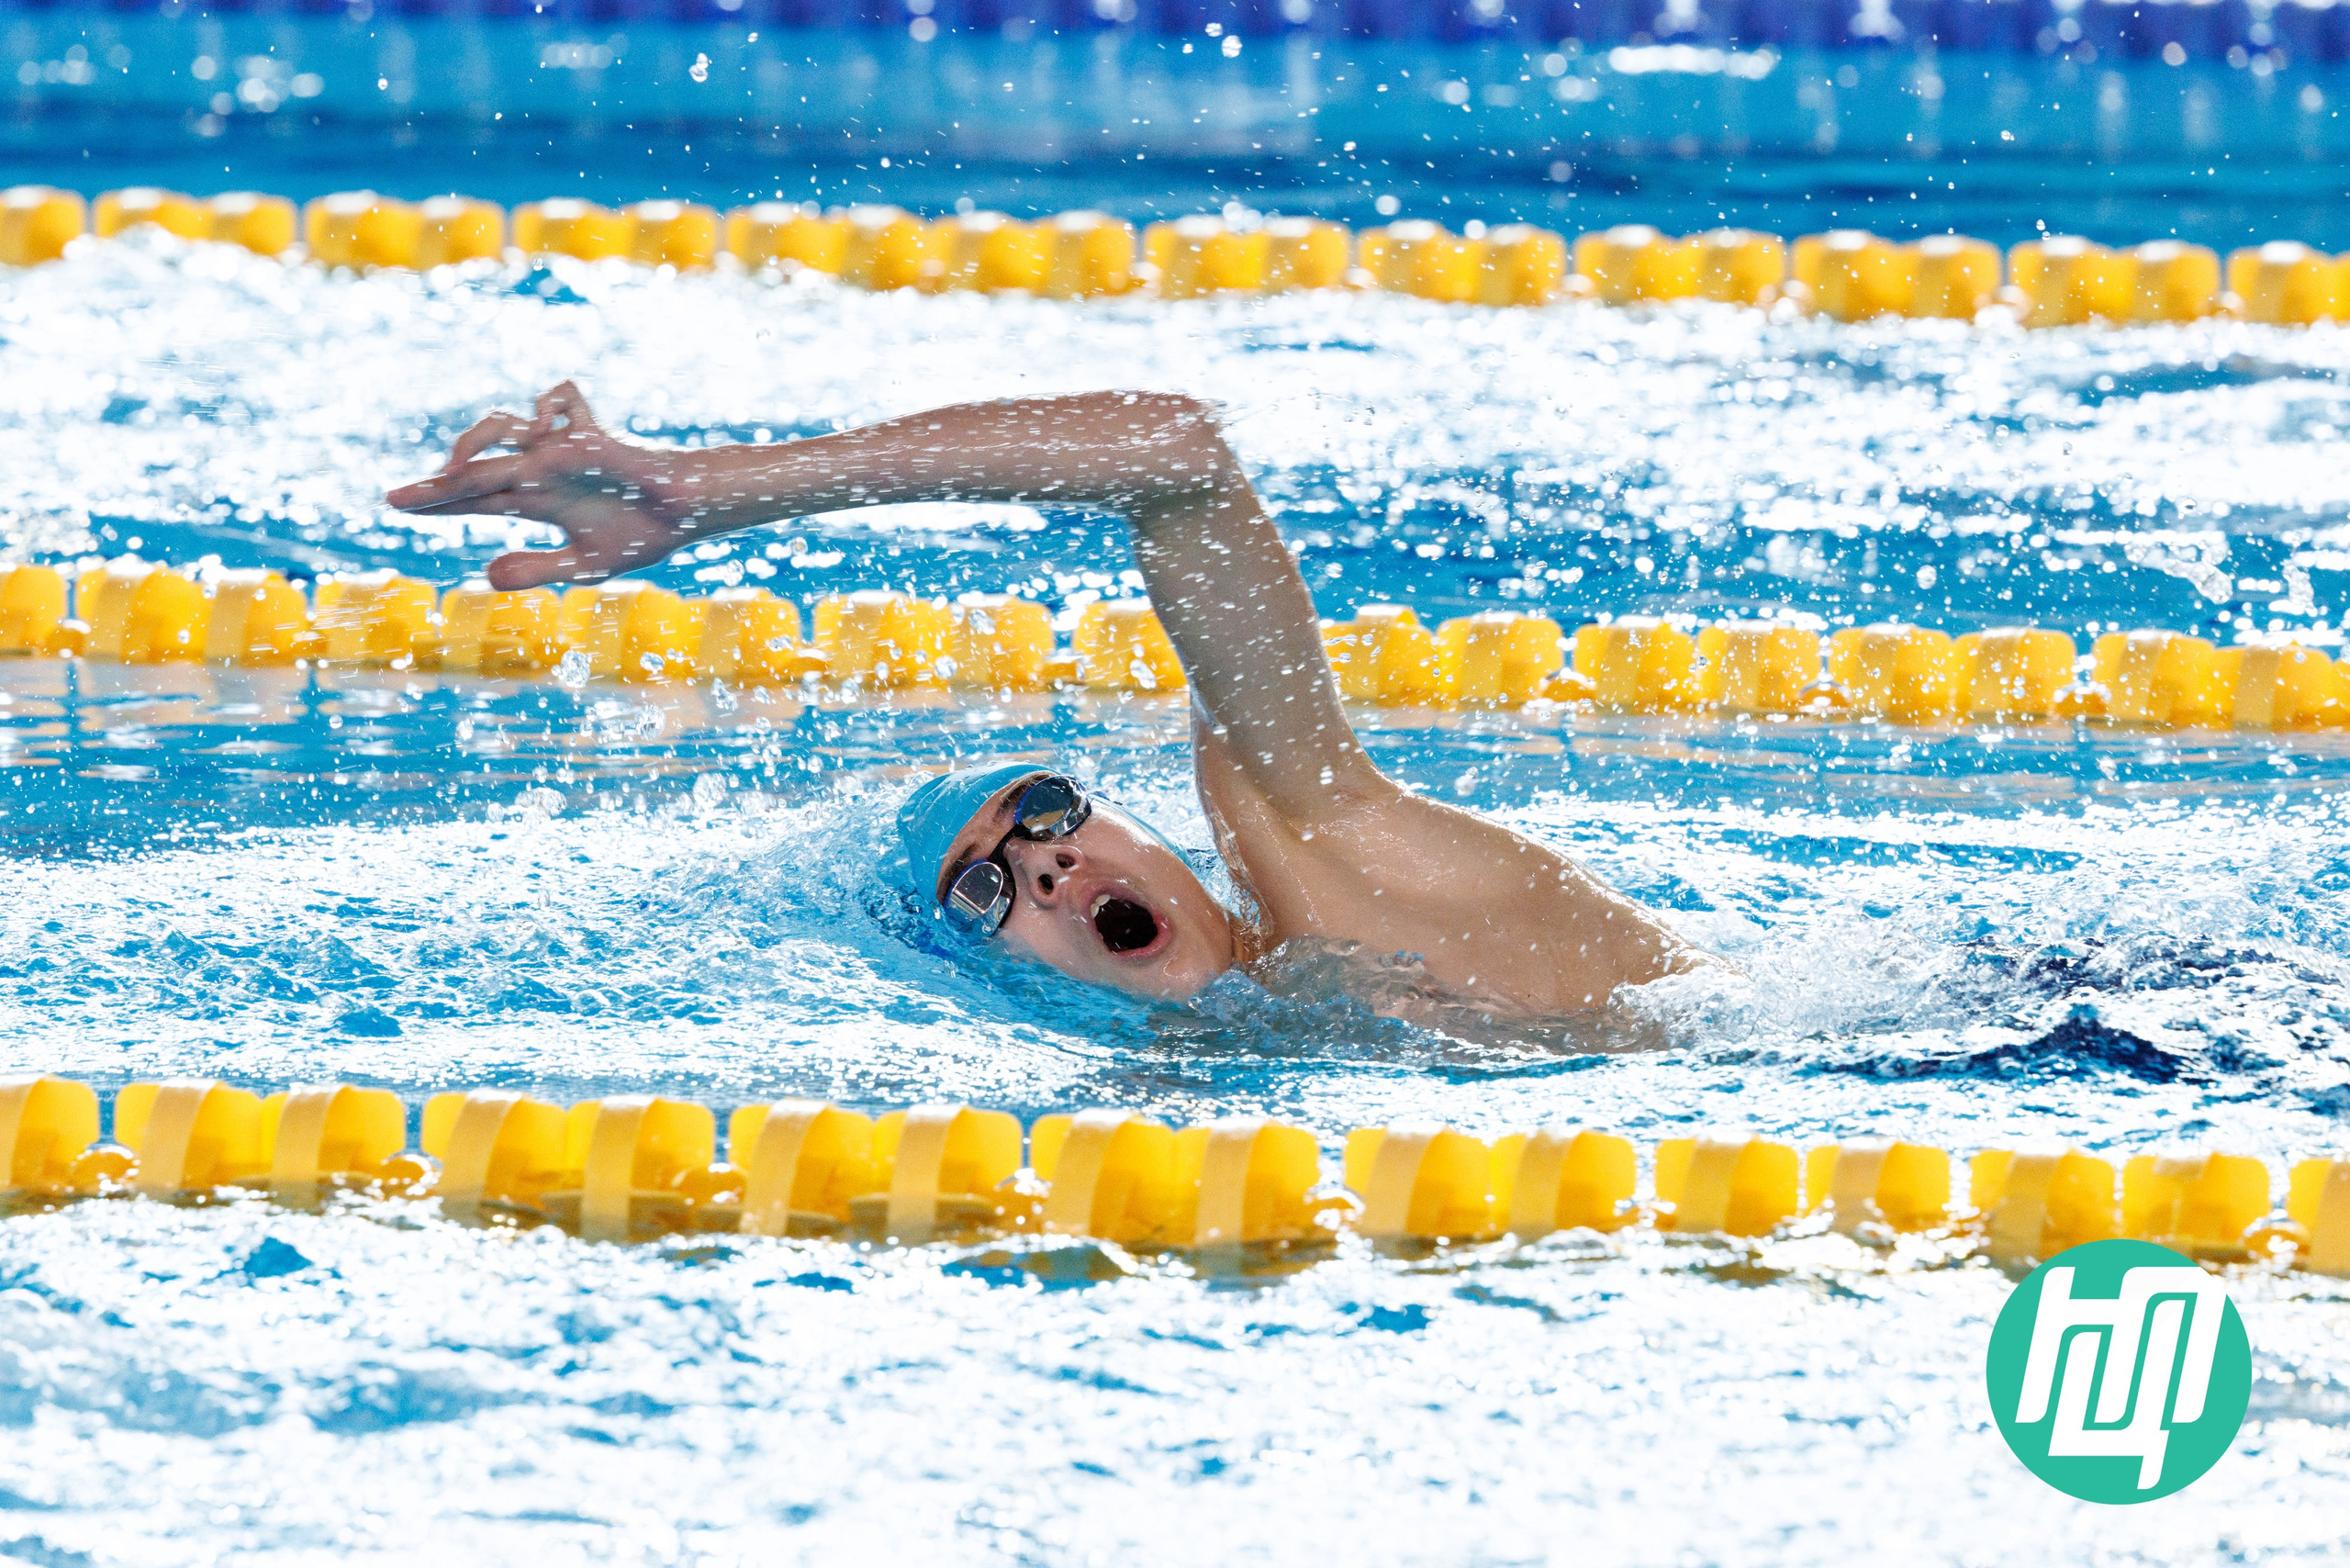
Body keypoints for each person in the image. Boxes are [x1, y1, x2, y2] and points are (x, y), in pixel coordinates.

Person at [389, 383, 1707, 1018]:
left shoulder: (1332, 854)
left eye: (1048, 811)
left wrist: (724, 488)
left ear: (1143, 836)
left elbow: (1177, 461)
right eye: (986, 893)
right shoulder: (1188, 1110)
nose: (1053, 864)